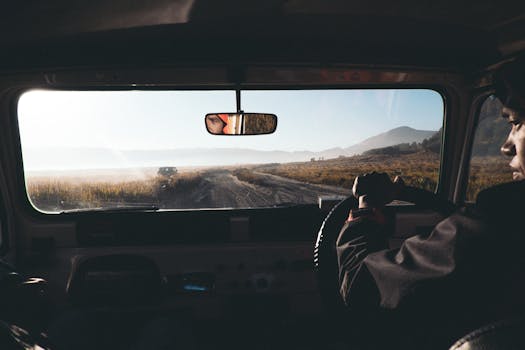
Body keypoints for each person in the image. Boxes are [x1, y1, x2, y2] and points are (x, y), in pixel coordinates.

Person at [336, 59, 525, 349]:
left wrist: (364, 210)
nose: (505, 145)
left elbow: (363, 286)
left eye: (515, 123)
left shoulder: (501, 222)